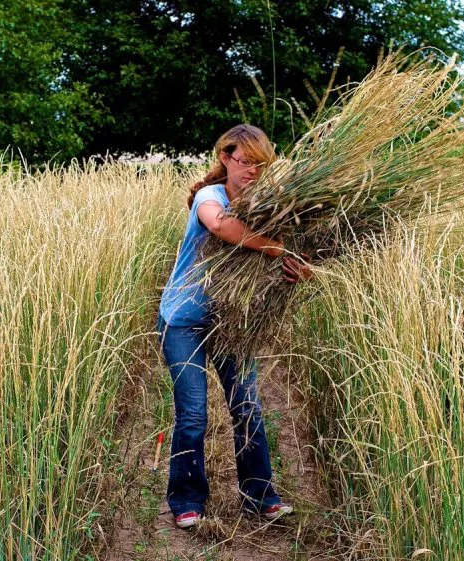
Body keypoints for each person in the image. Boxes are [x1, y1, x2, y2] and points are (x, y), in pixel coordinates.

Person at [158, 124, 313, 529]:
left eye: (259, 165)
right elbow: (222, 226)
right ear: (225, 158)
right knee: (193, 415)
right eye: (243, 162)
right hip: (184, 320)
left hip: (232, 321)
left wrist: (293, 267)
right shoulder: (211, 198)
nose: (250, 171)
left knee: (247, 407)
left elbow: (271, 264)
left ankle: (261, 497)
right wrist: (278, 248)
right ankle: (187, 501)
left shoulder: (269, 207)